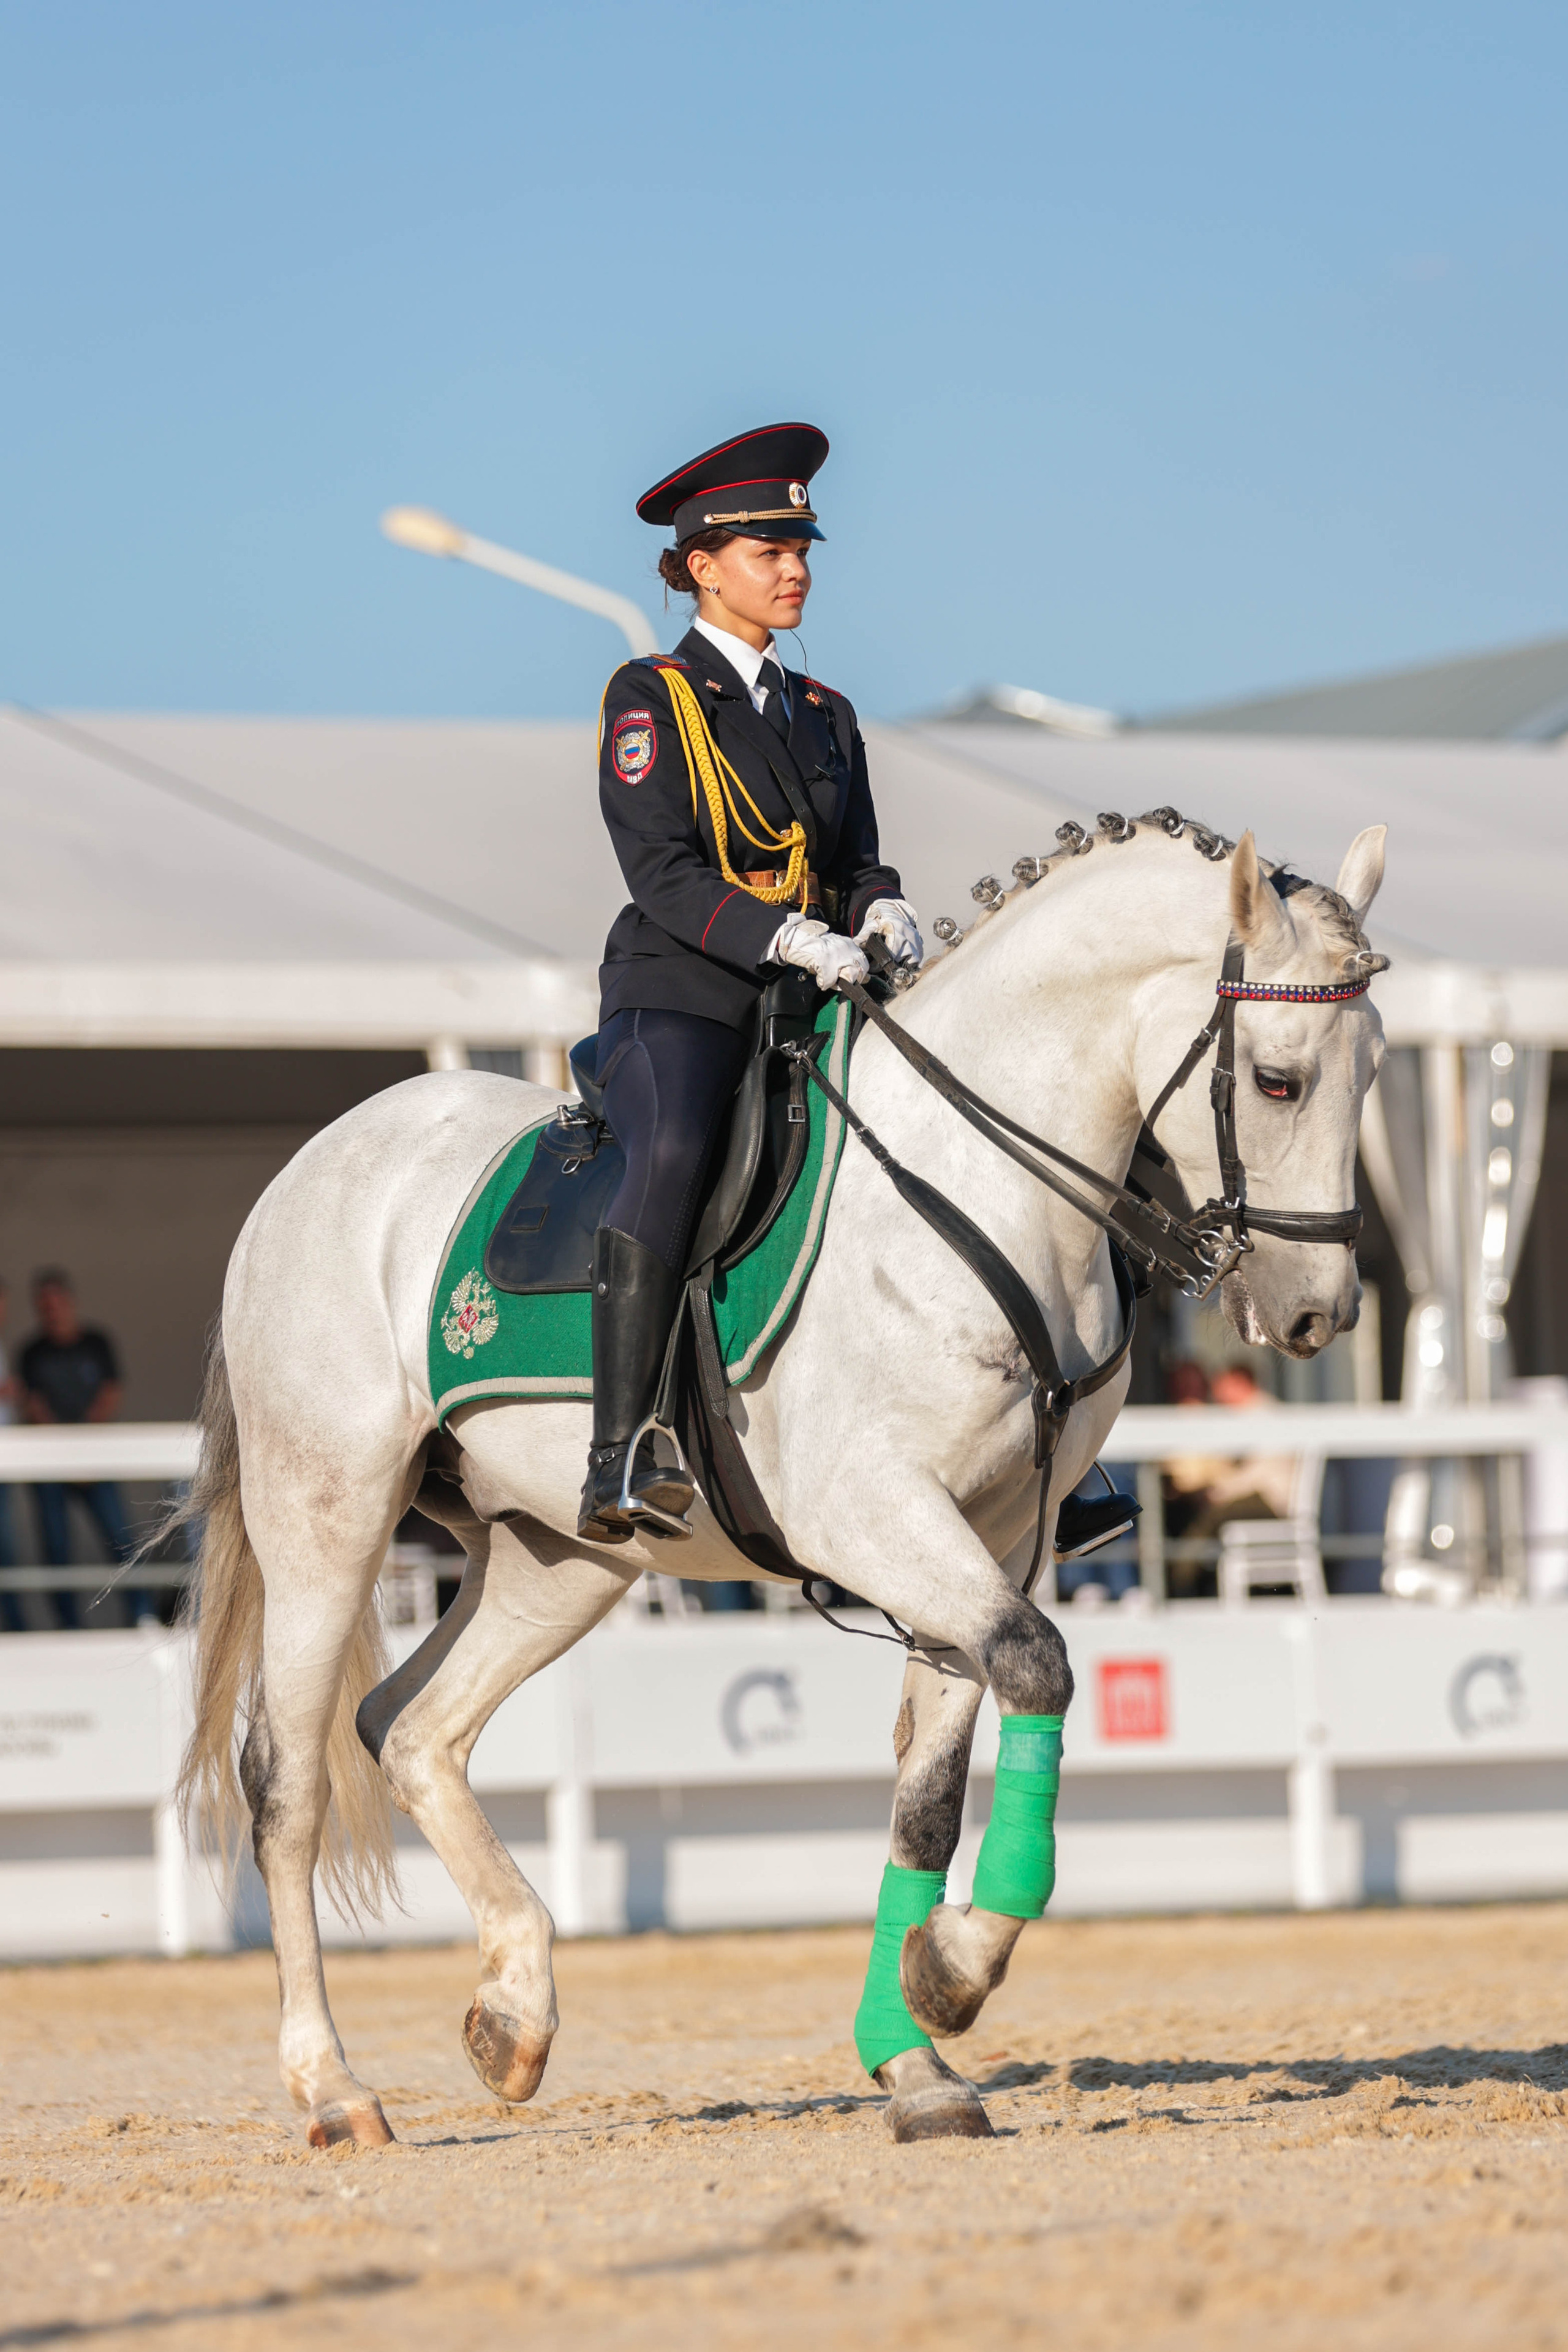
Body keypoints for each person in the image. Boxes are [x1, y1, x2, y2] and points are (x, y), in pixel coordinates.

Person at [578, 422, 920, 1544]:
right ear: (701, 565)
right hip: (682, 993)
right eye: (770, 550)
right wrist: (785, 936)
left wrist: (878, 906)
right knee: (675, 1147)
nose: (796, 567)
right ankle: (619, 1447)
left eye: (802, 546)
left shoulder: (828, 715)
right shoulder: (652, 697)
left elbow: (856, 857)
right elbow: (663, 872)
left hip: (813, 995)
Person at [20, 1268, 141, 1625]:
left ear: (70, 1302)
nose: (53, 1310)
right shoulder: (32, 1352)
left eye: (58, 1302)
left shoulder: (96, 1342)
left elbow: (111, 1391)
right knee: (57, 1550)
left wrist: (85, 1447)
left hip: (96, 1462)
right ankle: (68, 1625)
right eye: (46, 1305)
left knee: (122, 1541)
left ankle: (141, 1613)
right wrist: (65, 1452)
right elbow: (34, 1405)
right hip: (51, 1467)